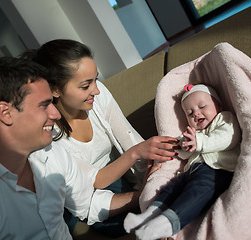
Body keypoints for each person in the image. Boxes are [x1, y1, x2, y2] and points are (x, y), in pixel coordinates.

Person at [21, 39, 179, 237]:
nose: (96, 89)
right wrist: (143, 186)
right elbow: (93, 184)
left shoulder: (99, 95)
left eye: (95, 79)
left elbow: (128, 138)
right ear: (55, 90)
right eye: (86, 85)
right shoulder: (49, 138)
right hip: (91, 196)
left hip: (120, 173)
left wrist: (154, 175)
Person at [0, 57, 95, 239]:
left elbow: (89, 203)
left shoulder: (51, 151)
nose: (55, 114)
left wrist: (143, 195)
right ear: (5, 113)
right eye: (44, 105)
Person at [124, 84, 242, 240]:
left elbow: (228, 138)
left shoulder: (224, 118)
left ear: (218, 105)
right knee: (171, 189)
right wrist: (182, 145)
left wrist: (199, 142)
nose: (196, 113)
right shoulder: (194, 133)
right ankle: (148, 215)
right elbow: (185, 154)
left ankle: (168, 224)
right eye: (190, 112)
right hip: (191, 171)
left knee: (196, 193)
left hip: (217, 172)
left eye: (202, 106)